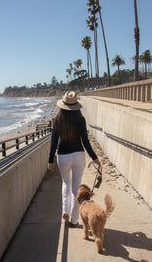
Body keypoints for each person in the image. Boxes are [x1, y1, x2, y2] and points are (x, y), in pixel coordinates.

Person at [48, 91, 100, 227]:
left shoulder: (58, 119)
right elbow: (85, 141)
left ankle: (65, 210)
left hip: (63, 156)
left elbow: (54, 141)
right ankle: (74, 220)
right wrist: (94, 157)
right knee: (76, 187)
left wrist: (50, 160)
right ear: (76, 105)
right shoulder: (81, 119)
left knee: (66, 183)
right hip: (78, 155)